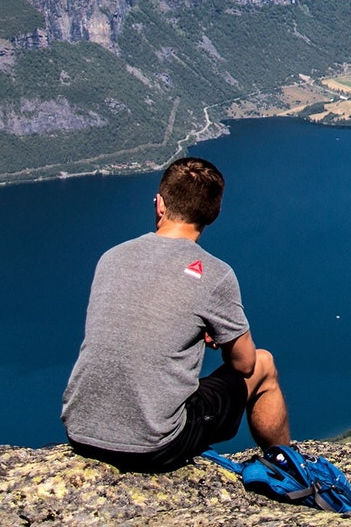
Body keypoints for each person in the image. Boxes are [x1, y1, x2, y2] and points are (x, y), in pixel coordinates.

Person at [62, 157, 290, 472]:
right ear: (214, 213)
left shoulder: (111, 258)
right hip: (154, 446)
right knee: (264, 364)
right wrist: (214, 334)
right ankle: (288, 468)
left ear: (160, 204)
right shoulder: (215, 274)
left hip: (80, 432)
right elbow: (244, 364)